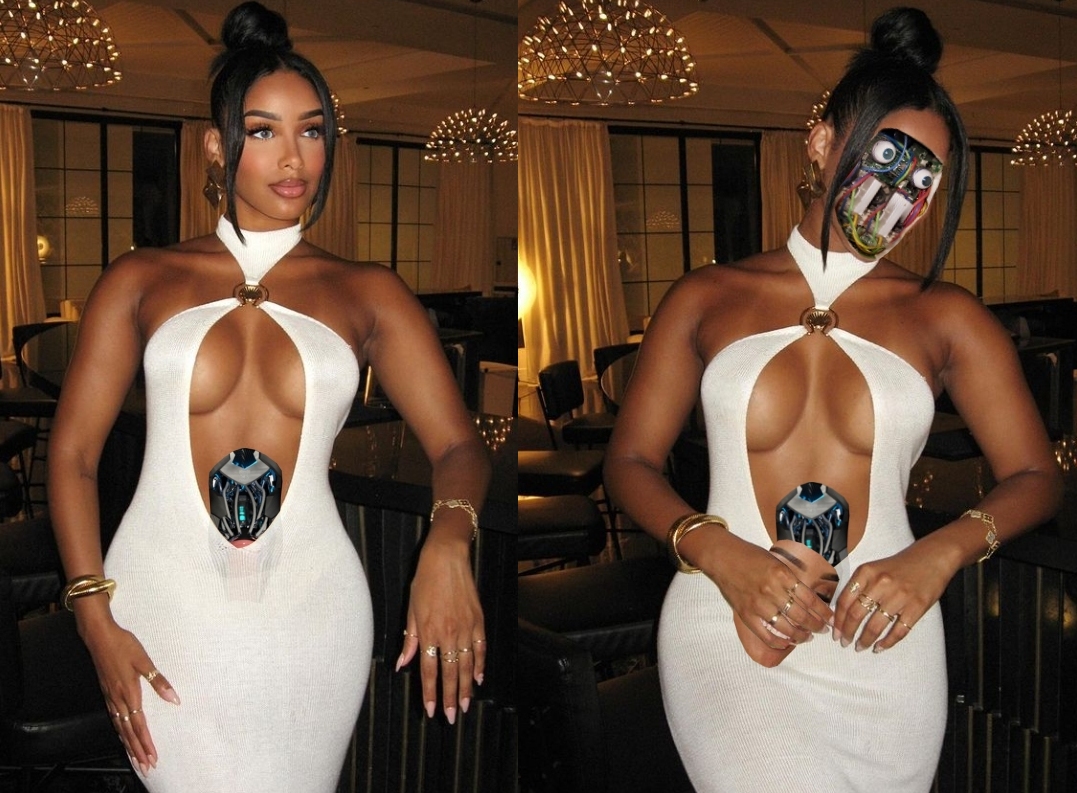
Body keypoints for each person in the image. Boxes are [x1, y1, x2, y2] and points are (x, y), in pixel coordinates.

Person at [603, 7, 1063, 791]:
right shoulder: (706, 295)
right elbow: (630, 461)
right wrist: (715, 550)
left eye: (926, 177)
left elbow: (1035, 475)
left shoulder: (946, 316)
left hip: (887, 634)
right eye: (887, 156)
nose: (902, 193)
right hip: (727, 613)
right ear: (819, 141)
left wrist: (938, 554)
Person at [47, 3, 491, 790]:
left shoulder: (368, 292)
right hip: (159, 599)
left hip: (312, 610)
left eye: (312, 131)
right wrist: (92, 613)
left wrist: (449, 540)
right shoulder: (141, 278)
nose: (294, 158)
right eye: (263, 131)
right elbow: (74, 454)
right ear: (217, 147)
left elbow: (458, 446)